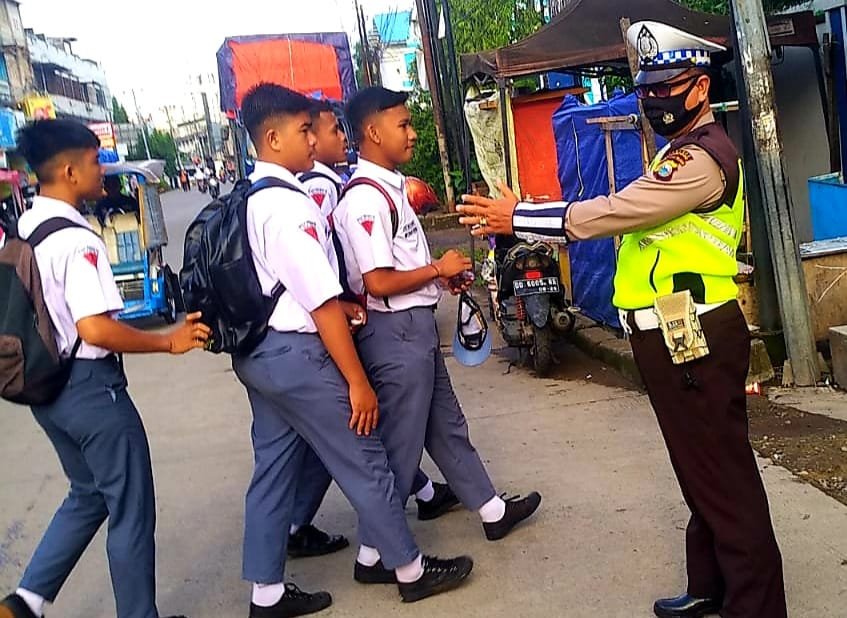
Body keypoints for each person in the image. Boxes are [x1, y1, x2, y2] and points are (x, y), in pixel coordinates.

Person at [458, 21, 787, 618]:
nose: (654, 99)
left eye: (667, 87)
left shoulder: (701, 159)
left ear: (700, 88)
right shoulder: (677, 149)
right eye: (647, 88)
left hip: (696, 336)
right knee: (701, 473)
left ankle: (756, 606)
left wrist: (521, 216)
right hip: (671, 334)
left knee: (724, 478)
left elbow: (617, 211)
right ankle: (711, 586)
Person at [231, 82, 473, 618]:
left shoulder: (251, 196)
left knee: (272, 471)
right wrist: (357, 382)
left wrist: (341, 307)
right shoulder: (290, 207)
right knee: (367, 460)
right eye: (303, 131)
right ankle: (408, 570)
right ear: (273, 139)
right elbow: (319, 304)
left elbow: (285, 286)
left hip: (260, 353)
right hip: (298, 356)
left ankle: (266, 593)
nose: (313, 140)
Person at [0, 119, 210, 618]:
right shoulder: (78, 240)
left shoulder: (25, 228)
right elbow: (95, 329)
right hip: (92, 391)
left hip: (46, 389)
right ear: (70, 171)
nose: (103, 171)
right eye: (96, 162)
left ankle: (26, 602)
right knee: (131, 509)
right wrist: (168, 341)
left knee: (89, 493)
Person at [333, 87, 542, 585]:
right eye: (403, 125)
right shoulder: (365, 199)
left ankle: (491, 510)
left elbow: (398, 264)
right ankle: (373, 555)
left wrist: (437, 278)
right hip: (394, 334)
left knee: (445, 426)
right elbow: (377, 281)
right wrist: (435, 269)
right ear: (373, 132)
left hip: (415, 327)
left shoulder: (391, 188)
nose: (412, 133)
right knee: (400, 447)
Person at [291, 100, 462, 546]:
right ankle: (377, 549)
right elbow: (364, 277)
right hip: (352, 324)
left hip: (349, 318)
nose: (336, 138)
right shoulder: (333, 190)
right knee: (365, 434)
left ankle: (443, 498)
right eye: (324, 130)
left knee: (364, 431)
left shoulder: (366, 186)